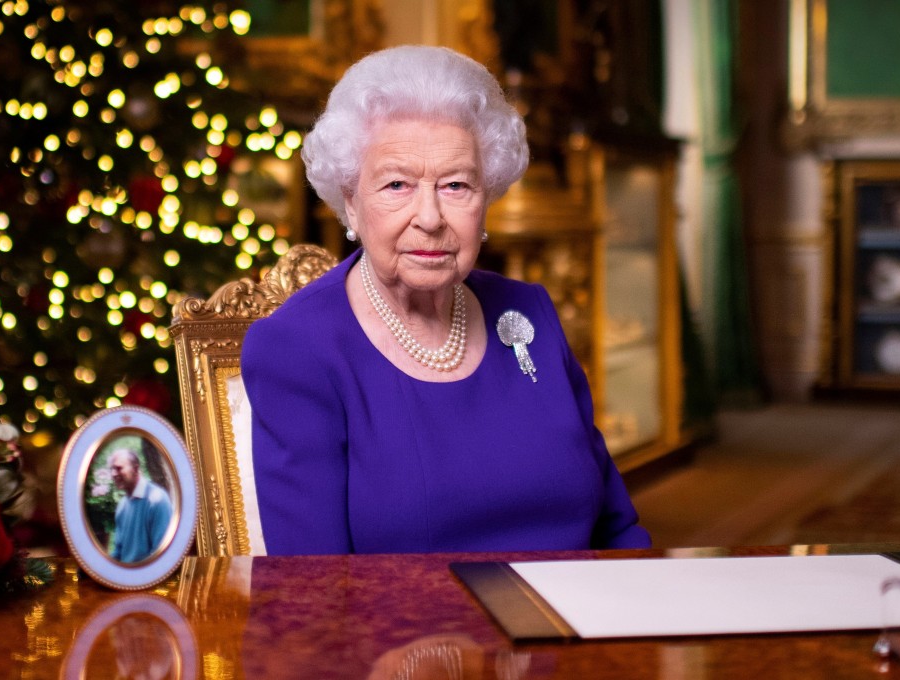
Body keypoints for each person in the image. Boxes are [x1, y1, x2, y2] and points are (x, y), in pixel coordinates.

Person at [240, 44, 650, 555]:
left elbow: (617, 528)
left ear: (487, 198)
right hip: (410, 635)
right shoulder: (297, 349)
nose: (430, 217)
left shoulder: (530, 313)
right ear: (351, 200)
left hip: (575, 623)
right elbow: (314, 593)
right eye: (396, 184)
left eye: (456, 185)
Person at [108, 448, 172, 563]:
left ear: (136, 469)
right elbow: (118, 552)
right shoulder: (122, 505)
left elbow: (162, 555)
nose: (113, 474)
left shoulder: (157, 500)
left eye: (118, 468)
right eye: (112, 469)